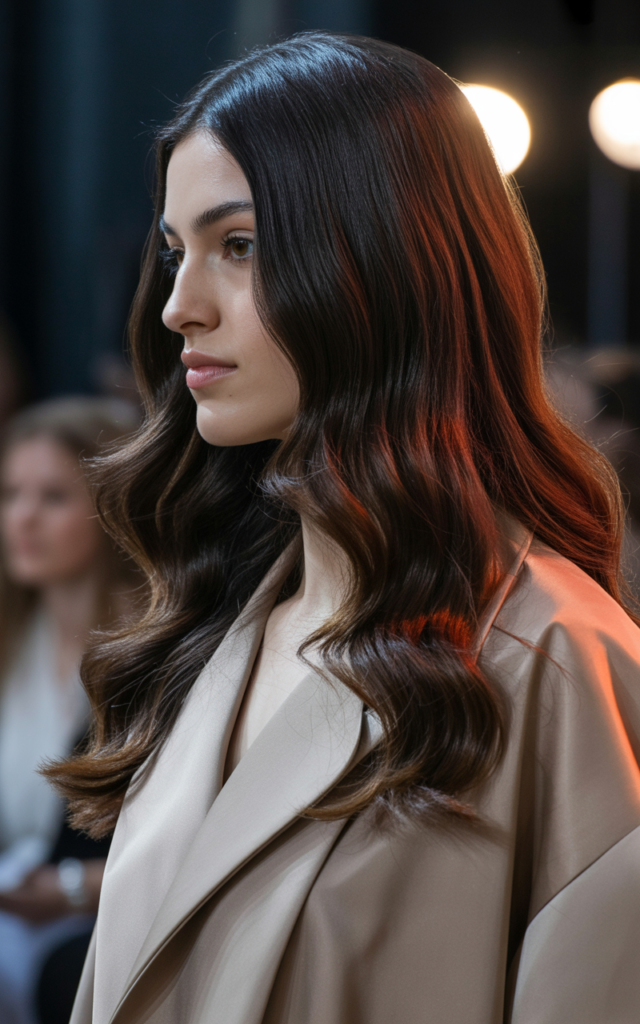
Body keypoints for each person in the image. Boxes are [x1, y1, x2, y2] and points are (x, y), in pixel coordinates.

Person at [46, 34, 640, 1024]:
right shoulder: (218, 625)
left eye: (238, 245)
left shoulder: (559, 668)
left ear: (383, 260)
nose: (181, 307)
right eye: (174, 251)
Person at [0, 397, 139, 1024]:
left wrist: (69, 889)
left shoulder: (150, 661)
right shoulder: (9, 642)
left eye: (53, 497)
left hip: (100, 937)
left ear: (109, 505)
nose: (22, 519)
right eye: (10, 495)